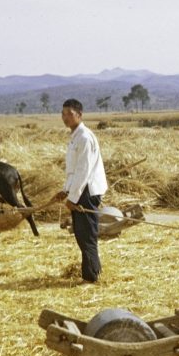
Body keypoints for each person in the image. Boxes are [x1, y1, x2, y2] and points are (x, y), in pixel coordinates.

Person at [55, 98, 108, 283]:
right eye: (63, 114)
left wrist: (73, 197)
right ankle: (94, 271)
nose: (65, 117)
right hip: (81, 189)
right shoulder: (76, 137)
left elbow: (83, 171)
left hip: (87, 191)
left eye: (69, 114)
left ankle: (91, 278)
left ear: (79, 115)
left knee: (86, 236)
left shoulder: (84, 138)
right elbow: (74, 171)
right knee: (82, 234)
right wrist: (65, 190)